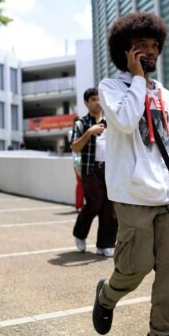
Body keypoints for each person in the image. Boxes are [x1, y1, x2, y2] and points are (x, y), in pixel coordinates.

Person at [92, 11, 169, 336]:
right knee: (134, 268)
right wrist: (138, 80)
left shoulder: (163, 93)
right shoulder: (111, 88)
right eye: (141, 46)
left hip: (167, 193)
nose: (150, 52)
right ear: (126, 50)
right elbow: (122, 120)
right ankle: (107, 295)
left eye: (154, 46)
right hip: (132, 194)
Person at [71, 88, 117, 257]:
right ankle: (80, 233)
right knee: (94, 204)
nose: (97, 102)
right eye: (93, 99)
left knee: (109, 208)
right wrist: (89, 132)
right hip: (91, 170)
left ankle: (105, 244)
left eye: (99, 99)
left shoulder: (111, 121)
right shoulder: (81, 123)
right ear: (86, 103)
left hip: (110, 170)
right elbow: (75, 147)